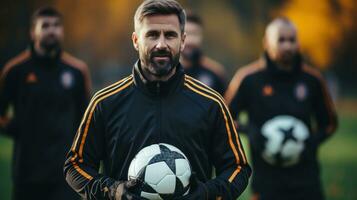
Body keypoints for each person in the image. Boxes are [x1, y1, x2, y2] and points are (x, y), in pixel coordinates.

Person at [64, 0, 251, 199]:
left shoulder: (211, 103)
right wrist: (113, 191)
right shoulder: (105, 102)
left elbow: (237, 167)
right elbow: (75, 166)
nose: (161, 44)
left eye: (170, 35)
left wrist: (207, 194)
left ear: (183, 40)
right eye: (152, 35)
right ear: (136, 40)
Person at [225, 17, 338, 200]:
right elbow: (225, 118)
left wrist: (312, 141)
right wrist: (250, 131)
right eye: (281, 40)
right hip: (266, 181)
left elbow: (330, 123)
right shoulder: (249, 78)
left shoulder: (312, 79)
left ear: (298, 43)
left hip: (306, 179)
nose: (287, 46)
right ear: (266, 42)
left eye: (291, 40)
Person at [0, 6, 91, 200]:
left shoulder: (76, 71)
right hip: (27, 174)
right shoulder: (15, 71)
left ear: (62, 31)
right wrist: (18, 128)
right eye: (46, 25)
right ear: (33, 32)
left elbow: (87, 122)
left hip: (66, 175)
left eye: (57, 25)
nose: (52, 30)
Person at [181, 11, 227, 95]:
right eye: (185, 34)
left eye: (195, 34)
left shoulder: (215, 73)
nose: (190, 40)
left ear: (201, 36)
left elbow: (225, 105)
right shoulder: (166, 72)